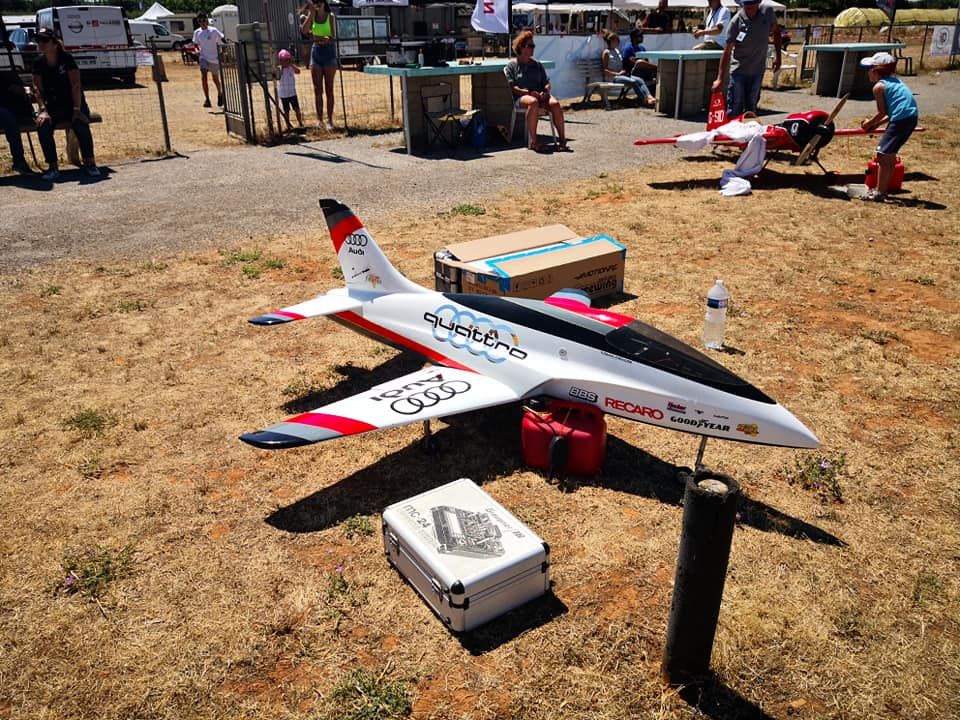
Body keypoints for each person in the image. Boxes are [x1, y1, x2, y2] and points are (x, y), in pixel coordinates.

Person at [31, 27, 98, 180]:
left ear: (54, 42)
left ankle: (90, 163)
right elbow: (37, 88)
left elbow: (76, 85)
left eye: (44, 40)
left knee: (80, 123)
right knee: (43, 126)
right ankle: (53, 167)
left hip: (73, 103)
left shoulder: (67, 59)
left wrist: (77, 110)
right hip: (52, 106)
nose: (41, 44)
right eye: (38, 40)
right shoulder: (38, 62)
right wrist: (43, 110)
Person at [858, 52, 918, 203]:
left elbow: (881, 112)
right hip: (910, 117)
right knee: (889, 156)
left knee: (882, 155)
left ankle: (879, 192)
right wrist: (877, 124)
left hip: (901, 120)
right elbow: (891, 113)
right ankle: (882, 190)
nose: (868, 72)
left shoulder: (879, 87)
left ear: (874, 71)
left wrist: (868, 123)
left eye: (869, 69)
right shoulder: (896, 82)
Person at [712, 0, 780, 118]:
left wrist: (778, 57)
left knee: (751, 108)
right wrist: (719, 79)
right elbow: (727, 52)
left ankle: (748, 129)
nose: (749, 7)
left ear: (759, 2)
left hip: (757, 70)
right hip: (738, 71)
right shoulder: (736, 22)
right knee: (735, 106)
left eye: (752, 4)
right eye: (746, 4)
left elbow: (776, 32)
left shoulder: (767, 12)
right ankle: (732, 128)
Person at [504, 30, 569, 152]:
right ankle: (534, 142)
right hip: (522, 97)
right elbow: (513, 88)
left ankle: (562, 140)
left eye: (533, 46)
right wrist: (529, 93)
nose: (533, 48)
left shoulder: (537, 65)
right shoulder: (512, 66)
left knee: (555, 104)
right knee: (533, 102)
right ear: (521, 47)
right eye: (530, 46)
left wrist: (546, 91)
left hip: (540, 95)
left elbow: (546, 82)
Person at [302, 0, 338, 130]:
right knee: (318, 90)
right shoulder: (312, 16)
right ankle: (319, 120)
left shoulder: (330, 16)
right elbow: (304, 30)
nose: (317, 4)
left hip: (329, 53)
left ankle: (330, 120)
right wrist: (311, 14)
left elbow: (334, 37)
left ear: (324, 3)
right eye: (315, 2)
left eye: (319, 1)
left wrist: (328, 39)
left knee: (329, 89)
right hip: (316, 52)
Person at [1, 31, 32, 174]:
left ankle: (19, 161)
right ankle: (19, 161)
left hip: (7, 105)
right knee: (8, 117)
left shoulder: (9, 50)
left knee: (9, 118)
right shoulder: (8, 50)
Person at [601, 31, 656, 108]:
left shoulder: (617, 51)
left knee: (639, 80)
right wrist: (617, 74)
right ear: (610, 41)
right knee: (633, 81)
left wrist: (623, 71)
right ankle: (644, 100)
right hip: (613, 77)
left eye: (617, 41)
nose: (617, 43)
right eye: (616, 41)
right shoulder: (606, 53)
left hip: (622, 75)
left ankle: (650, 97)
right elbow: (604, 71)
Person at [193, 13, 225, 108]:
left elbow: (222, 38)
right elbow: (195, 44)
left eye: (203, 20)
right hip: (203, 57)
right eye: (200, 21)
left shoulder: (213, 30)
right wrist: (196, 50)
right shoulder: (197, 32)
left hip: (214, 58)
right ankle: (207, 99)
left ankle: (220, 94)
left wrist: (226, 49)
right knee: (204, 77)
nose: (202, 22)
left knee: (215, 79)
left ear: (206, 20)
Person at [277, 49, 303, 127]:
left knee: (296, 109)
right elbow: (278, 76)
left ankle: (300, 123)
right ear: (280, 61)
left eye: (288, 60)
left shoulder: (291, 68)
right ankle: (288, 125)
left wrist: (291, 65)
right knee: (286, 110)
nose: (286, 62)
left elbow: (298, 71)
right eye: (284, 60)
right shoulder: (279, 68)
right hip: (284, 95)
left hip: (292, 93)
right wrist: (282, 67)